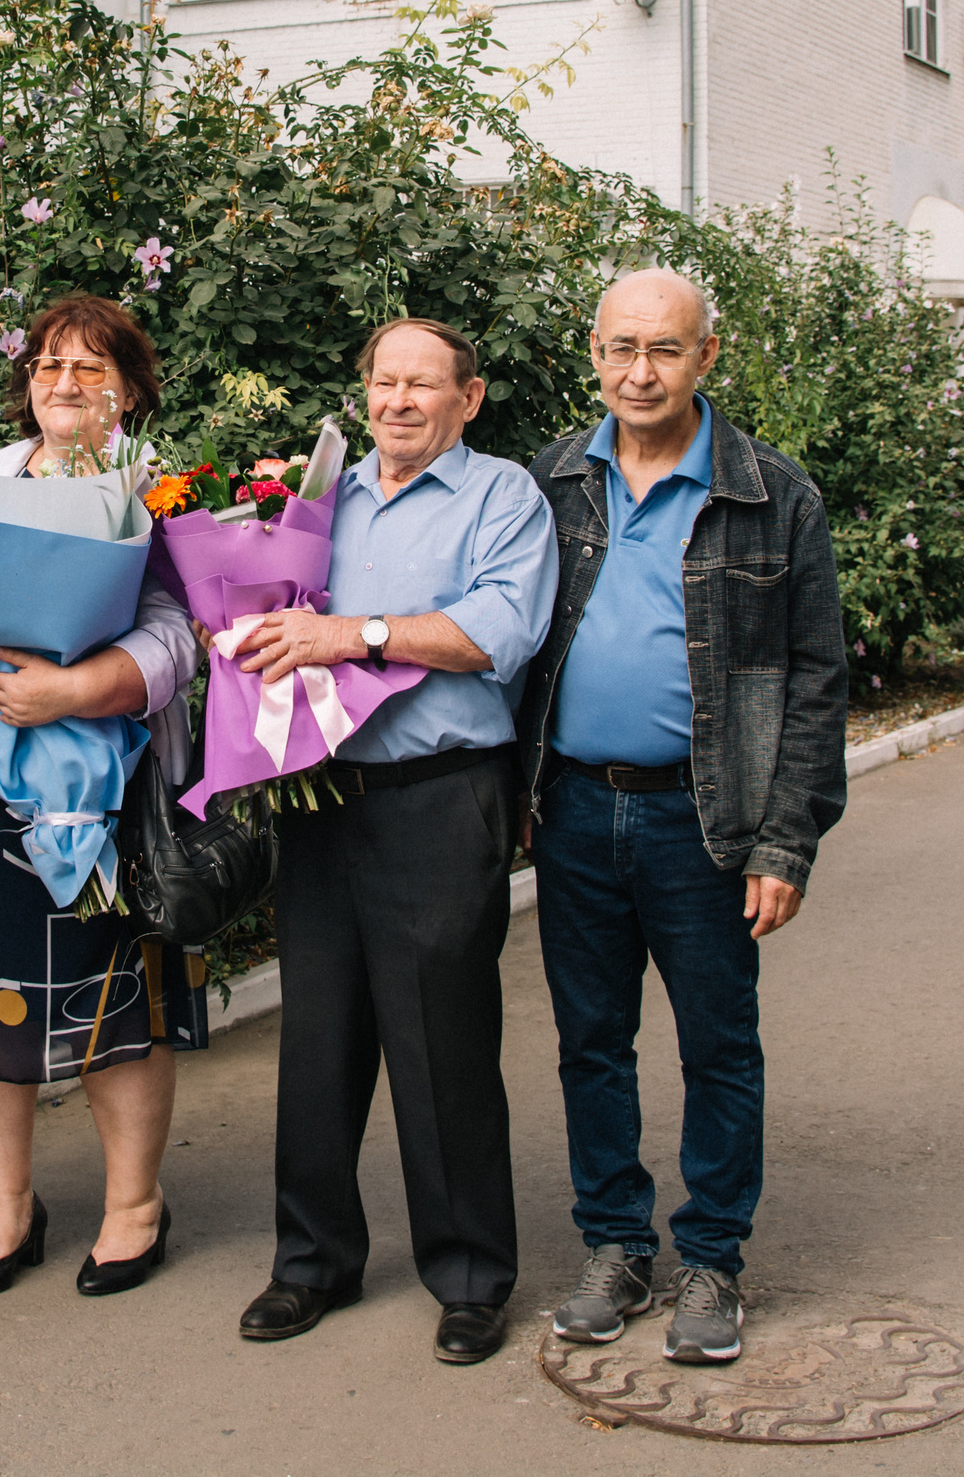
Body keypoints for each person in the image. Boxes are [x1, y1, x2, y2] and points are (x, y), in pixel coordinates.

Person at [516, 268, 847, 1365]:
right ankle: (615, 1242)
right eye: (620, 348)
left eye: (663, 349)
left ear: (709, 354)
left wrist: (786, 838)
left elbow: (813, 676)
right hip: (571, 813)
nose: (639, 372)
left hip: (704, 823)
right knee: (590, 1045)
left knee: (719, 1045)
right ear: (593, 352)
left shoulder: (771, 494)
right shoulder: (552, 482)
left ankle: (711, 1256)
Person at [227, 317, 558, 1365]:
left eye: (423, 384)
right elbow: (278, 607)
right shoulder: (324, 491)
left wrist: (353, 635)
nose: (398, 401)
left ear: (468, 398)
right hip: (322, 793)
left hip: (438, 790)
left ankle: (467, 1275)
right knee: (317, 1039)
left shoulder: (503, 497)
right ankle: (309, 1263)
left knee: (440, 1042)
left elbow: (497, 632)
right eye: (383, 381)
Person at [0, 293, 206, 1300]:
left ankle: (132, 1210)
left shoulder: (152, 488)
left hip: (99, 775)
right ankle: (6, 1211)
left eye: (89, 367)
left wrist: (74, 688)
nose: (63, 385)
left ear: (128, 388)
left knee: (113, 1004)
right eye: (46, 365)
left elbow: (178, 638)